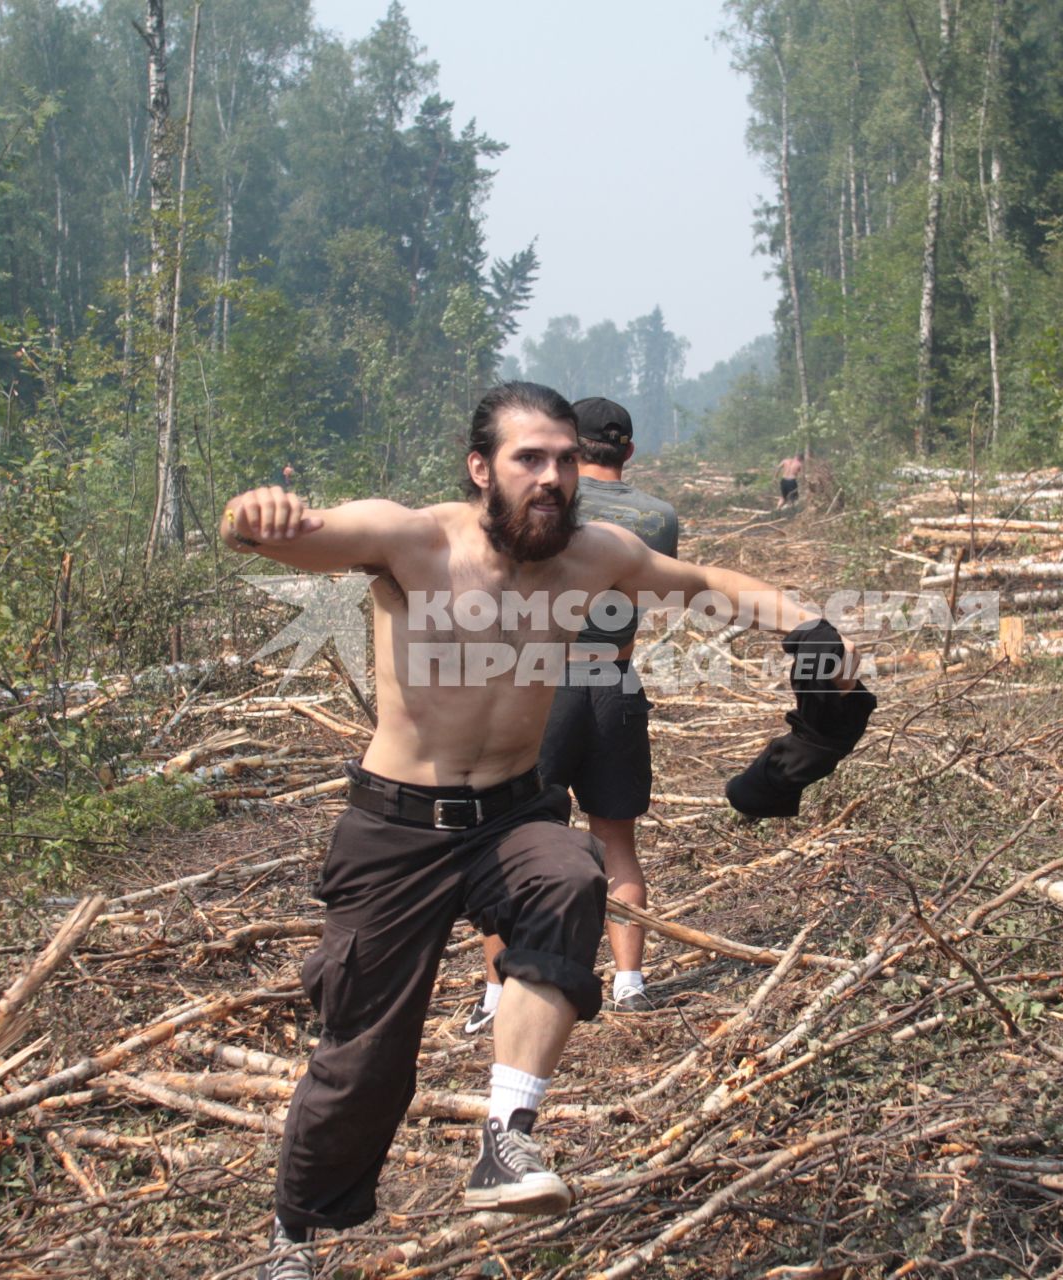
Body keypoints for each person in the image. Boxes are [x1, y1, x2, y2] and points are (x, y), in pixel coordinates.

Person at [222, 383, 855, 1279]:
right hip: (397, 824)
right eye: (529, 459)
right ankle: (296, 1234)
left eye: (563, 458)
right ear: (481, 468)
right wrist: (251, 514)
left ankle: (506, 1136)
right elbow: (283, 536)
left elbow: (705, 584)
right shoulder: (416, 538)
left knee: (571, 872)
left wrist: (813, 627)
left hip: (512, 811)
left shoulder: (596, 556)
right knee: (364, 1060)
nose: (552, 477)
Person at [464, 397, 680, 1035]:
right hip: (614, 679)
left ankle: (498, 995)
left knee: (511, 840)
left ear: (570, 452)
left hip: (543, 687)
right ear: (629, 451)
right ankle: (630, 984)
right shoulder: (657, 518)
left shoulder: (549, 513)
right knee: (617, 839)